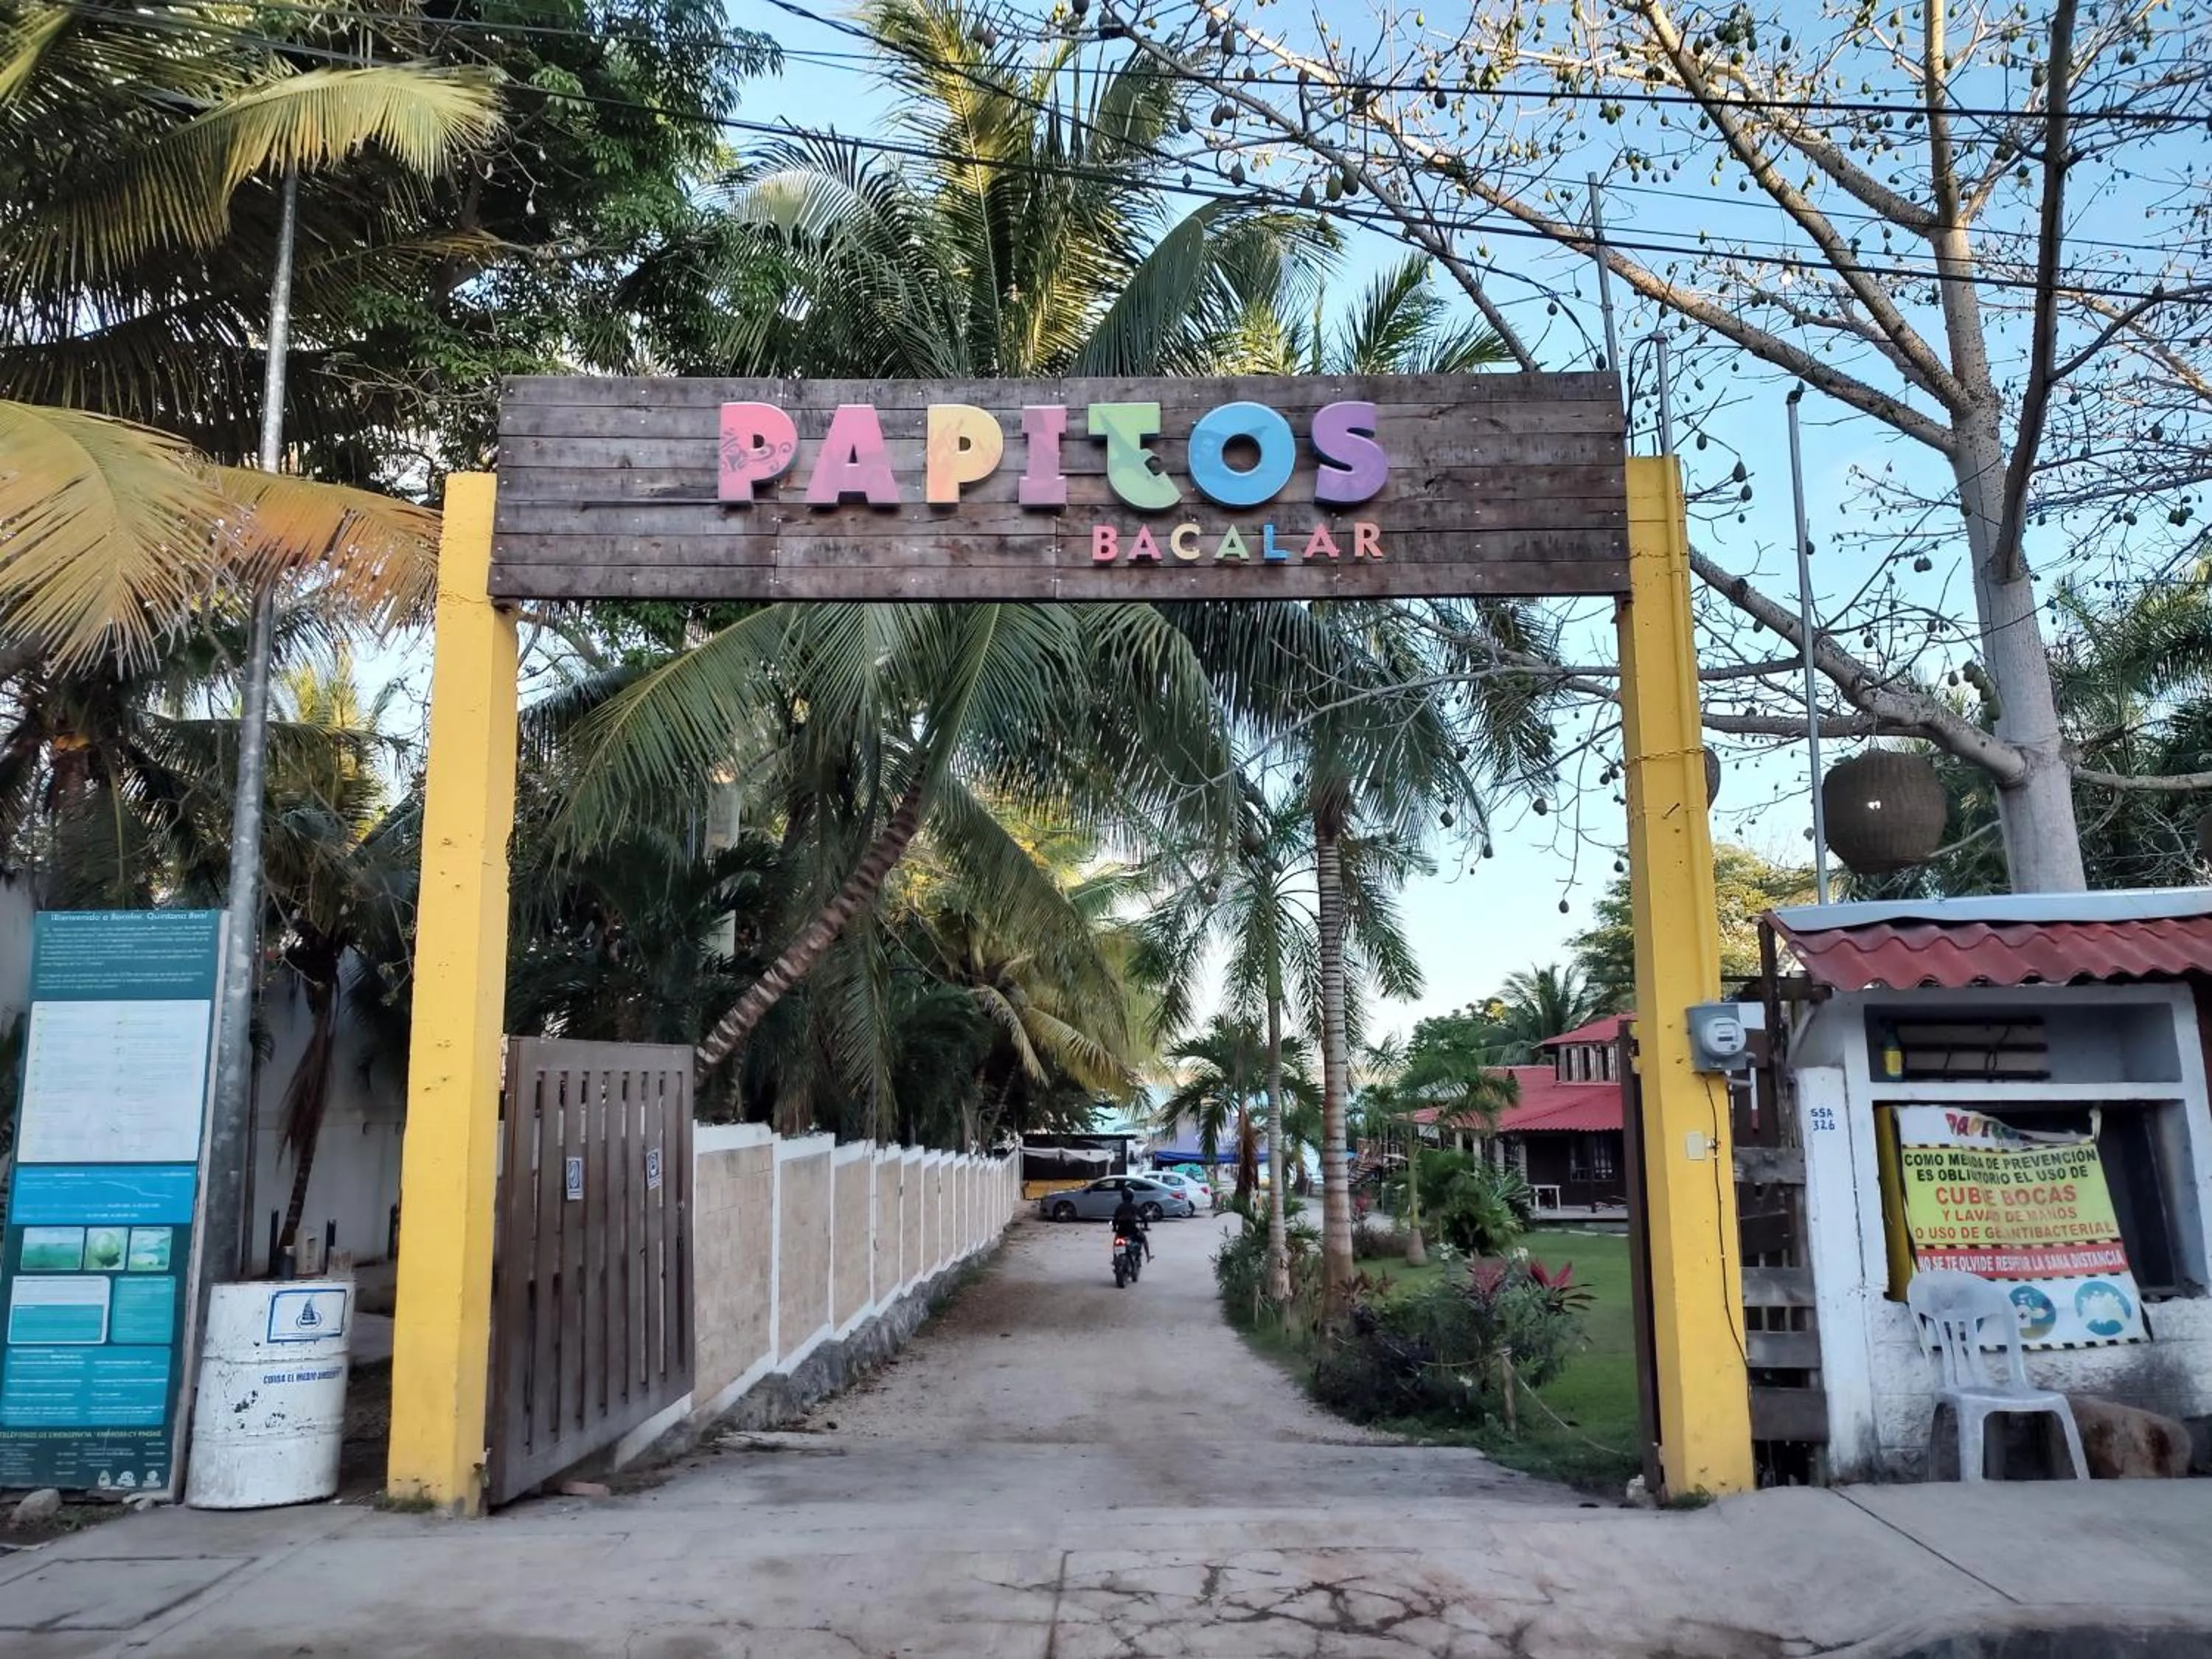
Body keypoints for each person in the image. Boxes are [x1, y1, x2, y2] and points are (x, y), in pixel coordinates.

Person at [1109, 1189, 1152, 1262]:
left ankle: (1115, 1258)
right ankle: (1148, 1256)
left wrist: (1115, 1228)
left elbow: (1115, 1219)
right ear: (1132, 1198)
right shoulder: (1134, 1207)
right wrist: (1146, 1227)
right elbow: (1144, 1218)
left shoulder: (1120, 1207)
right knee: (1144, 1239)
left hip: (1121, 1231)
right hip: (1132, 1230)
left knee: (1115, 1243)